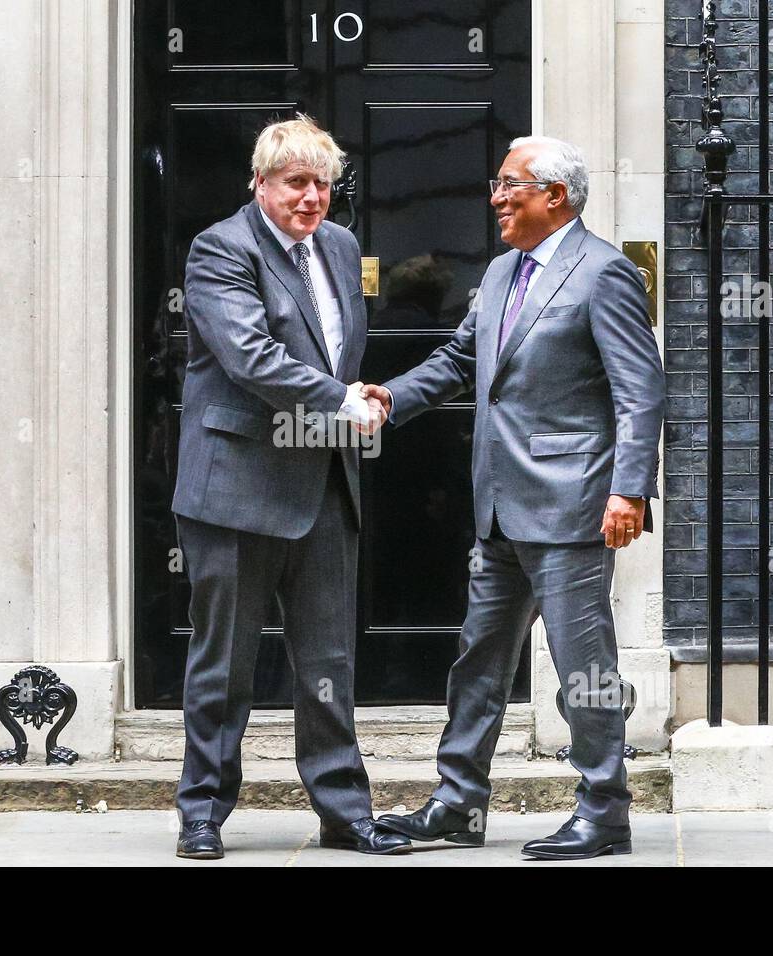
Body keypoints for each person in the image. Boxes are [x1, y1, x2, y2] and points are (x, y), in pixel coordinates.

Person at [364, 136, 666, 860]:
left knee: (583, 667)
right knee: (479, 660)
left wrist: (629, 489)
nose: (495, 197)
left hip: (573, 507)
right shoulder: (502, 272)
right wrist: (389, 397)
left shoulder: (604, 274)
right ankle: (458, 802)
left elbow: (641, 390)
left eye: (509, 184)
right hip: (499, 507)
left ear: (554, 195)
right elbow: (461, 359)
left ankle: (605, 808)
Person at [171, 115, 407, 859]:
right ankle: (203, 813)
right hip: (235, 487)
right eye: (296, 183)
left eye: (323, 185)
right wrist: (344, 402)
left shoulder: (336, 247)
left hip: (325, 480)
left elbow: (336, 353)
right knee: (225, 663)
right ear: (261, 182)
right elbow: (249, 355)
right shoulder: (221, 249)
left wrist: (347, 403)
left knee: (330, 663)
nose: (312, 199)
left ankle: (344, 812)